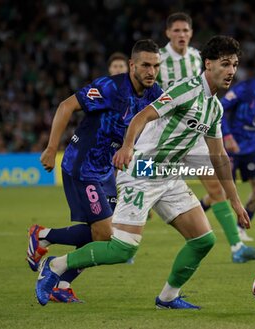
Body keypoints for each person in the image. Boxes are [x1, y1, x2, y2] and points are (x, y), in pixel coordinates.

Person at [35, 35, 250, 309]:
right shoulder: (186, 90)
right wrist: (126, 147)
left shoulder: (214, 108)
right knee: (122, 249)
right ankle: (54, 266)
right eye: (225, 64)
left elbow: (219, 156)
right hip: (143, 170)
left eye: (234, 64)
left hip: (169, 175)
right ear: (208, 64)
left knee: (203, 240)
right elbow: (142, 116)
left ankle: (168, 298)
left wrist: (235, 200)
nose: (231, 70)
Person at [27, 39, 162, 303]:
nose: (151, 71)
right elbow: (66, 106)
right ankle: (43, 236)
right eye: (145, 65)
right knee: (105, 233)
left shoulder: (153, 94)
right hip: (82, 167)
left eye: (156, 66)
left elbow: (149, 143)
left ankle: (62, 284)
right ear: (132, 64)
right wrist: (51, 148)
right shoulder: (110, 87)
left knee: (107, 237)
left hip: (108, 173)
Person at [157, 12, 255, 262]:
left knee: (216, 186)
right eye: (176, 31)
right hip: (165, 138)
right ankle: (119, 236)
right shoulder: (159, 59)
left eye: (185, 30)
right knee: (142, 179)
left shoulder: (199, 57)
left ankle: (237, 248)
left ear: (191, 33)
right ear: (167, 33)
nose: (181, 35)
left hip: (195, 137)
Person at [202, 53, 255, 241]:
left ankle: (241, 227)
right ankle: (198, 210)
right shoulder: (244, 89)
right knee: (223, 192)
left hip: (251, 147)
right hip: (229, 147)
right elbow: (220, 109)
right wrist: (227, 136)